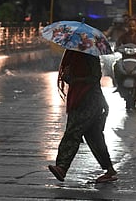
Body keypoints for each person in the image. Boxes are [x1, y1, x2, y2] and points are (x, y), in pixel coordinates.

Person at [48, 49, 118, 183]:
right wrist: (68, 76)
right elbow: (67, 76)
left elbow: (94, 77)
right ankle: (109, 170)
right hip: (80, 98)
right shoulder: (73, 53)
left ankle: (62, 167)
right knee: (94, 136)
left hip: (88, 98)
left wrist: (75, 77)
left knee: (73, 132)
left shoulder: (90, 55)